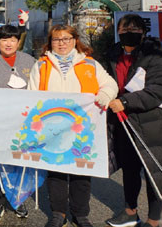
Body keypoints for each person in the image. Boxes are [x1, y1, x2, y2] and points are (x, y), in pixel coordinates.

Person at [28, 25, 118, 227]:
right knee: (55, 171)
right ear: (50, 43)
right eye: (56, 39)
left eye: (66, 38)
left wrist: (105, 94)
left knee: (81, 172)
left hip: (83, 128)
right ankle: (58, 213)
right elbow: (31, 94)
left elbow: (110, 84)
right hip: (52, 128)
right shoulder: (41, 65)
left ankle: (80, 213)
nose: (62, 43)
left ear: (75, 40)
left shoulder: (90, 64)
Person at [104, 14, 162, 227]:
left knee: (155, 172)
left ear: (144, 32)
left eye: (135, 29)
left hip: (154, 122)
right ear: (118, 32)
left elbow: (158, 89)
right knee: (129, 169)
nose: (129, 33)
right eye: (124, 29)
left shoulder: (154, 54)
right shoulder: (113, 53)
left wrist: (125, 101)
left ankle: (153, 221)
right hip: (124, 122)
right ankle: (130, 212)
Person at [0, 24, 36, 223]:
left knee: (20, 161)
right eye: (4, 39)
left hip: (23, 122)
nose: (9, 43)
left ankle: (18, 198)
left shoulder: (30, 61)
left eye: (13, 39)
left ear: (18, 42)